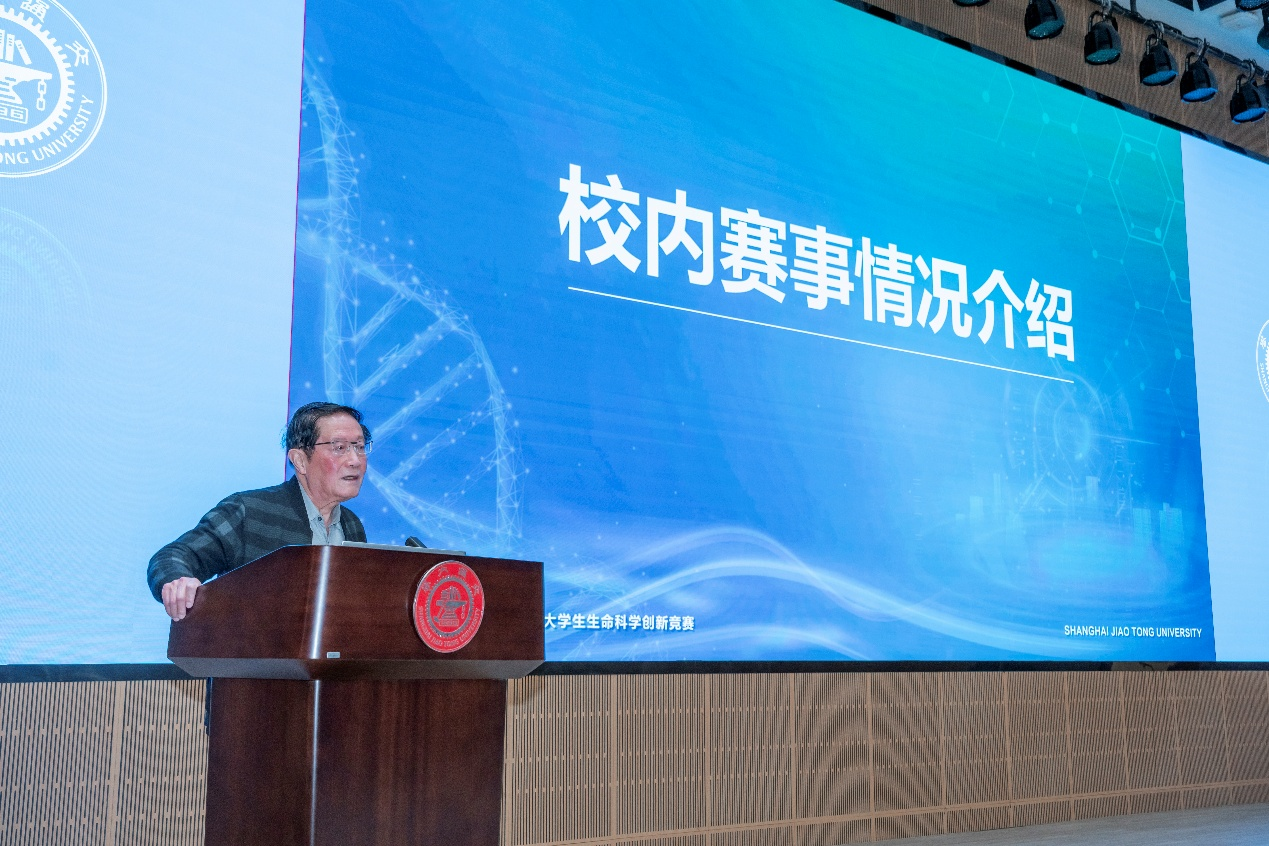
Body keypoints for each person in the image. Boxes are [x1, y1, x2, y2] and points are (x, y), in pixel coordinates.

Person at [147, 401, 372, 621]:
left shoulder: (351, 525)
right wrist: (178, 582)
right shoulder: (249, 511)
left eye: (360, 447)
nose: (355, 460)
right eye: (339, 448)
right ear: (300, 460)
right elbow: (171, 557)